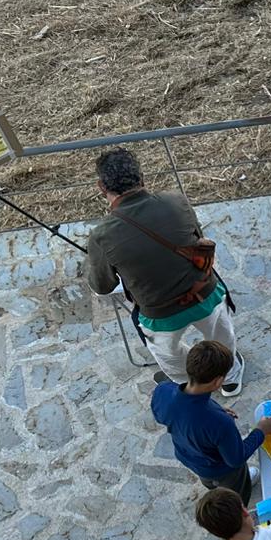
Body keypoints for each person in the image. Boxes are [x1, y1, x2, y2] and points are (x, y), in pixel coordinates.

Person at [86, 147, 247, 395]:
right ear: (142, 178)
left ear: (101, 187)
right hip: (205, 295)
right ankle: (229, 378)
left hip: (160, 315)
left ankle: (188, 383)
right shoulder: (176, 201)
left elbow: (102, 286)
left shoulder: (101, 236)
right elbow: (197, 238)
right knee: (221, 335)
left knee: (168, 354)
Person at [150, 340, 271, 503]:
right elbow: (236, 459)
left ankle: (211, 485)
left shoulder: (163, 390)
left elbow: (173, 414)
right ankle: (236, 499)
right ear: (218, 382)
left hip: (189, 457)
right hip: (223, 471)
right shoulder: (221, 423)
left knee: (208, 480)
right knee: (235, 494)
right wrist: (261, 430)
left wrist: (216, 409)